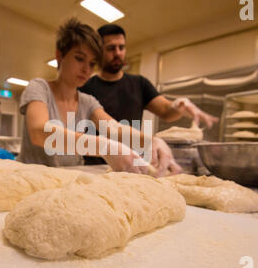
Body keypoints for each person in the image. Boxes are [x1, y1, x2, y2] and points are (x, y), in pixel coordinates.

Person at [18, 18, 156, 175]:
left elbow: (115, 129)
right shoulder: (39, 88)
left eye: (92, 63)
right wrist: (105, 147)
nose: (86, 69)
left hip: (68, 181)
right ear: (60, 55)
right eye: (79, 58)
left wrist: (152, 142)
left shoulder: (87, 102)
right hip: (31, 180)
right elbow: (39, 132)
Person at [80, 24, 219, 173]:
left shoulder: (139, 84)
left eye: (122, 47)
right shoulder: (85, 87)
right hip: (95, 168)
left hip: (134, 165)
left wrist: (177, 106)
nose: (118, 53)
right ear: (99, 51)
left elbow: (166, 111)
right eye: (111, 48)